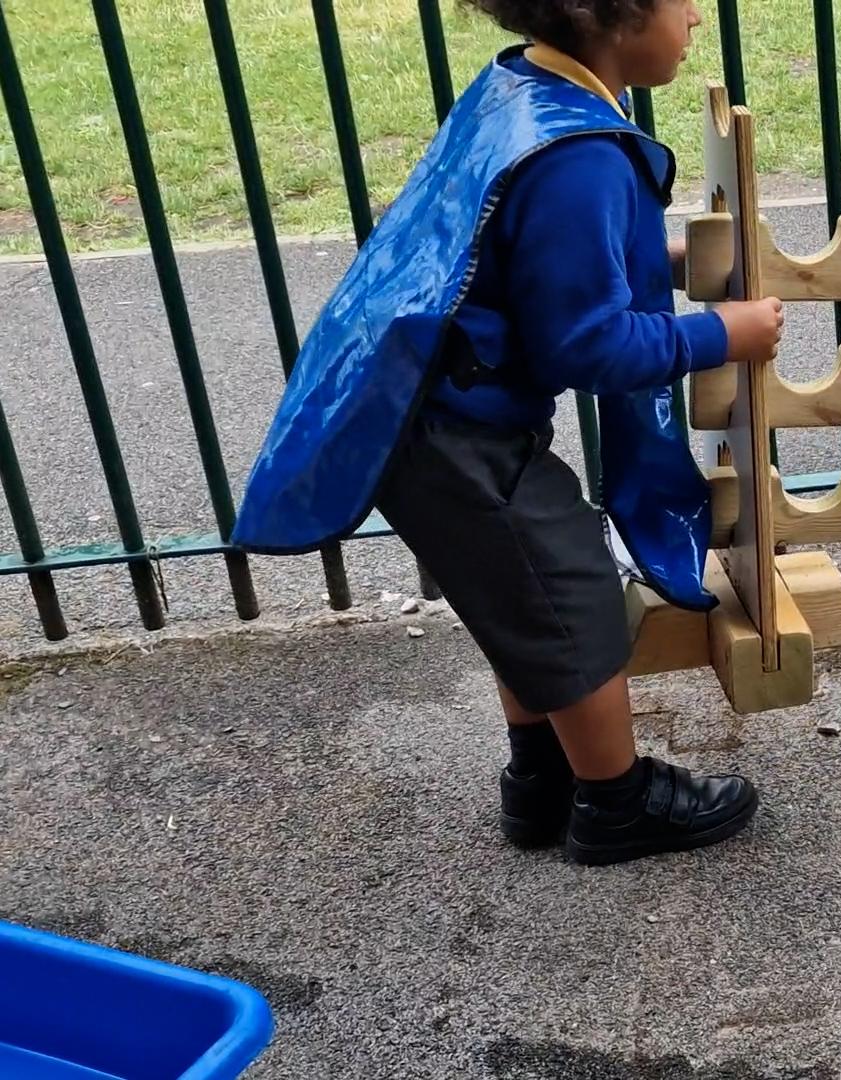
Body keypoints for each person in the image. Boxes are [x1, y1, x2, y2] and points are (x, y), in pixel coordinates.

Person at [233, 0, 788, 865]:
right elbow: (588, 342)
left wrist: (658, 261)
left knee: (519, 603)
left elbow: (531, 256)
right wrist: (724, 334)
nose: (695, 16)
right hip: (453, 437)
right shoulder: (579, 155)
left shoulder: (519, 88)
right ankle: (616, 802)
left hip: (434, 413)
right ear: (615, 12)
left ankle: (542, 784)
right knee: (572, 604)